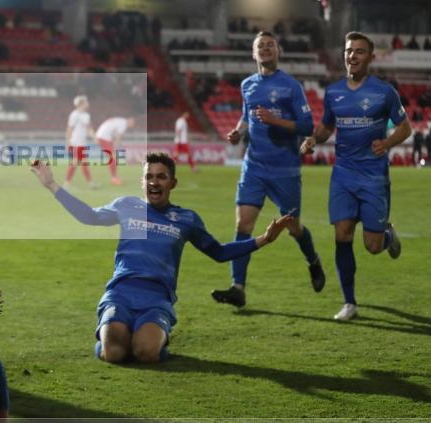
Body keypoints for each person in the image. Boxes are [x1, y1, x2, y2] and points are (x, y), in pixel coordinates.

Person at [30, 153, 290, 365]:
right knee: (115, 354)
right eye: (149, 177)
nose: (155, 182)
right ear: (142, 182)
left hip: (157, 299)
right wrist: (52, 185)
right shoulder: (126, 205)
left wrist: (264, 239)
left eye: (161, 177)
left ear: (172, 183)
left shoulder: (187, 219)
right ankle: (114, 333)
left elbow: (219, 252)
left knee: (146, 354)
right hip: (120, 293)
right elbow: (88, 216)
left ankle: (156, 340)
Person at [300, 31, 411, 321]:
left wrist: (386, 143)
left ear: (371, 57)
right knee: (342, 235)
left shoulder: (384, 92)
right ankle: (349, 303)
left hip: (374, 177)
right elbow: (325, 128)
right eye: (349, 50)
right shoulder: (333, 92)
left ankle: (388, 235)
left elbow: (405, 128)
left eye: (360, 51)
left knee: (372, 246)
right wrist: (313, 140)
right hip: (343, 175)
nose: (353, 55)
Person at [212, 31, 325, 308]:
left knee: (294, 228)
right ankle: (238, 287)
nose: (265, 49)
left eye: (269, 45)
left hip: (285, 169)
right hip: (254, 166)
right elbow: (245, 117)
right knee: (243, 224)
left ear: (278, 51)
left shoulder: (291, 86)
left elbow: (307, 126)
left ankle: (313, 260)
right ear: (254, 54)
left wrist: (276, 121)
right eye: (260, 46)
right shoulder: (247, 85)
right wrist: (238, 133)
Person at [65, 95, 97, 189]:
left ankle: (67, 183)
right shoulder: (74, 114)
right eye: (86, 102)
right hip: (75, 142)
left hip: (82, 143)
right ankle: (89, 182)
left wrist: (94, 137)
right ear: (81, 104)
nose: (88, 104)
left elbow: (89, 128)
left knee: (77, 163)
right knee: (80, 162)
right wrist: (68, 141)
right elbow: (69, 128)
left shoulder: (86, 115)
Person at [95, 116, 136, 185]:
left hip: (102, 136)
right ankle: (114, 178)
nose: (131, 125)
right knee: (112, 157)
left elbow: (114, 133)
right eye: (132, 124)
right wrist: (116, 146)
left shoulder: (121, 121)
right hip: (104, 137)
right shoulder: (123, 124)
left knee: (112, 157)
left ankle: (114, 176)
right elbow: (118, 136)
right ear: (130, 120)